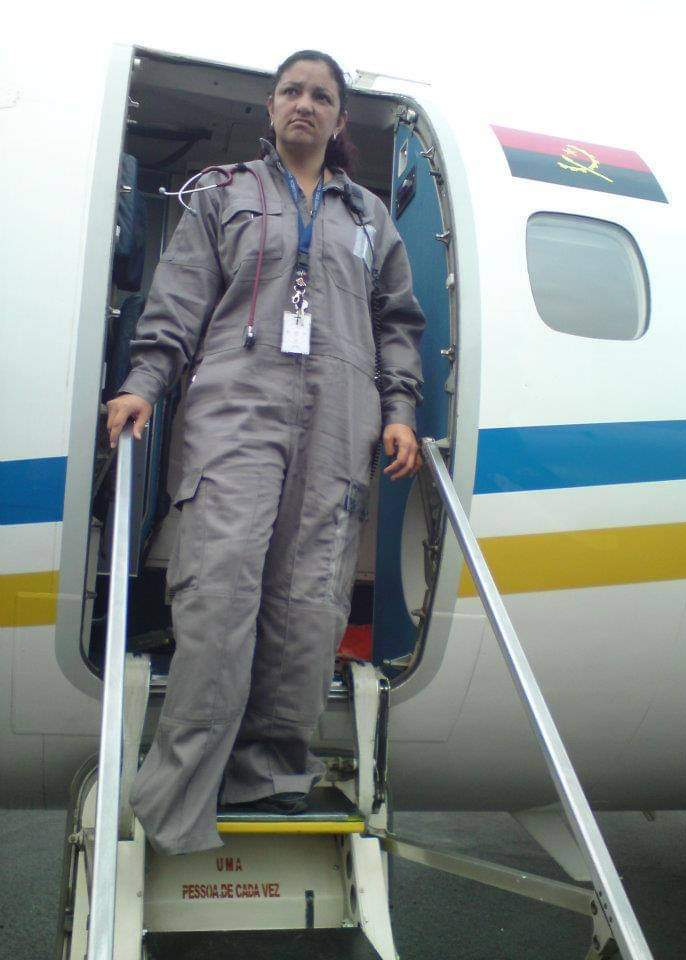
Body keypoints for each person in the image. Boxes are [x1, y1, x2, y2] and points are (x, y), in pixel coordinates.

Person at [106, 49, 425, 856]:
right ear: (271, 106)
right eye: (292, 91)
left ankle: (271, 774)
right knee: (220, 584)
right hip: (238, 405)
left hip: (340, 415)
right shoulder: (225, 193)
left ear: (339, 117)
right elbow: (178, 298)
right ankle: (182, 791)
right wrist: (144, 380)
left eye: (321, 95)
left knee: (310, 600)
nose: (304, 104)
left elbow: (398, 323)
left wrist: (399, 410)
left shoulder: (369, 218)